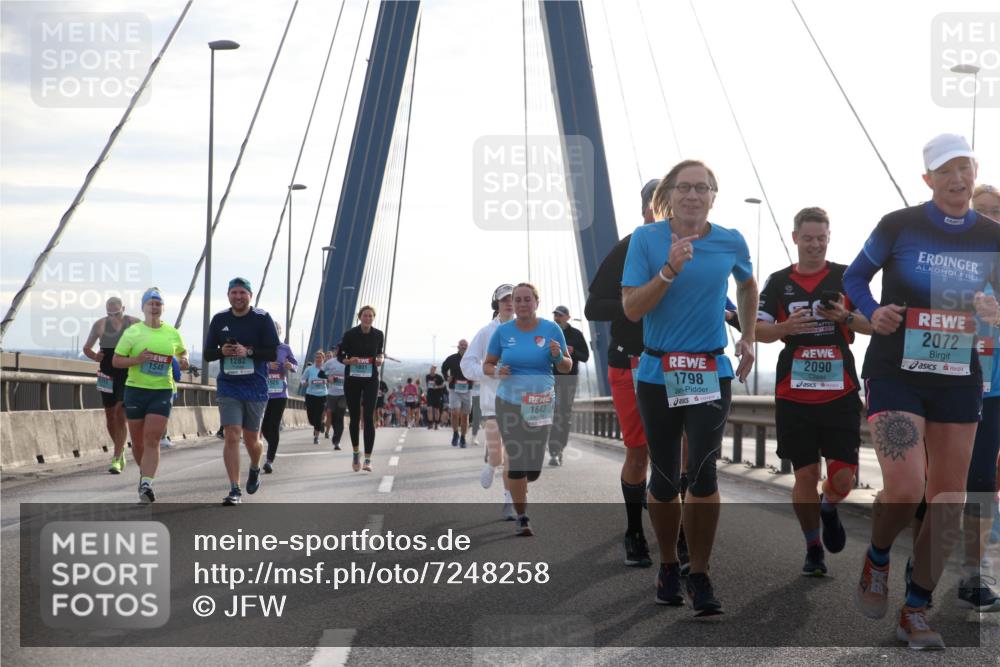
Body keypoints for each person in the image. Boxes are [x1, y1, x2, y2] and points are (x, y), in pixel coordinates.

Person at [843, 135, 1000, 649]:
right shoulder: (899, 224)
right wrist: (872, 312)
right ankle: (879, 556)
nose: (958, 179)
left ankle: (916, 608)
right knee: (907, 488)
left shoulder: (992, 235)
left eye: (966, 169)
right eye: (947, 170)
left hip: (958, 375)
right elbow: (855, 277)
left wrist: (996, 312)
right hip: (895, 371)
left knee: (948, 499)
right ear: (928, 178)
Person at [622, 159, 757, 615]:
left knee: (703, 473)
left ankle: (698, 572)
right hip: (657, 373)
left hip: (710, 370)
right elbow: (632, 310)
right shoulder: (646, 240)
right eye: (684, 188)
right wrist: (668, 271)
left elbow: (748, 284)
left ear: (713, 195)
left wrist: (750, 335)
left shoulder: (729, 240)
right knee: (663, 478)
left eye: (702, 188)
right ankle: (666, 563)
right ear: (669, 195)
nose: (693, 195)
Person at [755, 206, 873, 577]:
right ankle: (812, 547)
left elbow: (874, 324)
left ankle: (829, 507)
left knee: (842, 480)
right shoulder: (777, 282)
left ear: (828, 237)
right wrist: (786, 326)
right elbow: (756, 331)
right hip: (794, 394)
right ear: (795, 239)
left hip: (839, 393)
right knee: (805, 475)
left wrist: (844, 318)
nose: (815, 245)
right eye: (808, 238)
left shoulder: (846, 277)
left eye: (821, 238)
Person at [484, 283, 571, 536]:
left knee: (532, 469)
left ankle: (522, 483)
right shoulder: (503, 332)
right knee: (517, 459)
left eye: (526, 299)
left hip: (541, 403)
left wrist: (557, 356)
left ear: (536, 302)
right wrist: (497, 370)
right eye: (517, 300)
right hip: (508, 402)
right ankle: (522, 515)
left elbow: (566, 366)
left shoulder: (551, 328)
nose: (521, 304)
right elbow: (488, 365)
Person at [204, 277, 280, 506]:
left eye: (242, 293)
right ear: (228, 295)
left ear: (250, 295)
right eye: (234, 293)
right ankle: (234, 488)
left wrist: (247, 351)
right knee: (231, 434)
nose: (238, 297)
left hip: (255, 384)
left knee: (251, 440)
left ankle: (255, 466)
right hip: (229, 385)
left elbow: (273, 353)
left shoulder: (262, 318)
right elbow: (208, 353)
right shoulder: (219, 319)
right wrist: (222, 351)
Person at [112, 288, 189, 502]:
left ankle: (147, 483)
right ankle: (143, 474)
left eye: (158, 304)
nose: (154, 307)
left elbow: (182, 352)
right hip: (136, 390)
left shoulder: (172, 333)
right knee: (137, 442)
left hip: (162, 390)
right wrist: (137, 360)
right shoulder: (133, 332)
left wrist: (184, 360)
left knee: (152, 439)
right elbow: (116, 360)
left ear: (162, 308)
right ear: (143, 307)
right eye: (150, 304)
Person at [463, 284, 517, 519]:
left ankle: (509, 501)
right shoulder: (486, 333)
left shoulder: (525, 330)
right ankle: (491, 464)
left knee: (514, 455)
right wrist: (492, 372)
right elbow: (467, 365)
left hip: (519, 402)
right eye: (504, 299)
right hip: (493, 402)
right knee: (498, 454)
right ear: (496, 303)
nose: (509, 303)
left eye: (513, 299)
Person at [83, 296, 140, 474]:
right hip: (106, 373)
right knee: (109, 417)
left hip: (126, 372)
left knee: (119, 413)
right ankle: (120, 449)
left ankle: (116, 458)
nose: (113, 316)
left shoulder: (134, 323)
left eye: (116, 312)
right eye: (109, 313)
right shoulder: (100, 325)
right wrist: (94, 356)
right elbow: (87, 348)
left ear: (123, 308)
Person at [337, 305, 385, 472]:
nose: (368, 318)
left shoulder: (378, 334)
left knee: (369, 417)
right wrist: (349, 361)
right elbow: (340, 355)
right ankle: (356, 452)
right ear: (360, 317)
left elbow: (380, 353)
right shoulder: (350, 334)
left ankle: (368, 459)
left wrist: (380, 359)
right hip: (353, 379)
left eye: (370, 316)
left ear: (373, 318)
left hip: (371, 379)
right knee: (355, 417)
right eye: (365, 316)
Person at [548, 305, 590, 466]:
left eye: (559, 315)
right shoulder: (549, 333)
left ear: (567, 317)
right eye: (555, 315)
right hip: (549, 379)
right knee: (550, 415)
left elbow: (585, 356)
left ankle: (557, 450)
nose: (556, 318)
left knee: (562, 416)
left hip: (568, 380)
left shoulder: (576, 335)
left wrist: (573, 352)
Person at [260, 321, 297, 472]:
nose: (274, 332)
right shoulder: (261, 347)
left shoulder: (285, 348)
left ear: (280, 332)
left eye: (277, 329)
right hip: (262, 392)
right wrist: (268, 365)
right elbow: (254, 364)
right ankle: (272, 445)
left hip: (280, 393)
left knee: (273, 426)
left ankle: (269, 459)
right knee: (263, 428)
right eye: (272, 330)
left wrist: (290, 366)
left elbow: (295, 365)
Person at [443, 340, 474, 447]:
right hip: (454, 389)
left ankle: (463, 438)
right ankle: (455, 433)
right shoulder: (452, 358)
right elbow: (444, 368)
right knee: (455, 412)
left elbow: (477, 369)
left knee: (465, 416)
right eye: (462, 345)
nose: (463, 347)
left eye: (465, 346)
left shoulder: (471, 359)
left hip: (467, 389)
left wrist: (474, 378)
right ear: (458, 347)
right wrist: (447, 377)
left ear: (468, 347)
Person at [301, 352, 329, 443]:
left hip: (322, 395)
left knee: (318, 416)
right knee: (311, 418)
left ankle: (316, 437)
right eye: (317, 357)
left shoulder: (326, 369)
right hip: (310, 395)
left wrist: (327, 381)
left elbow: (330, 379)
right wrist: (305, 383)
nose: (318, 359)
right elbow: (302, 379)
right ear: (315, 358)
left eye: (320, 357)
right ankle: (320, 424)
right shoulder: (309, 369)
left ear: (323, 359)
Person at [323, 346, 346, 449]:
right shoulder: (330, 362)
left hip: (343, 395)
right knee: (332, 416)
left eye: (341, 350)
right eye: (337, 350)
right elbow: (320, 373)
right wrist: (328, 377)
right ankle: (335, 436)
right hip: (332, 394)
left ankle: (337, 441)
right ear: (336, 352)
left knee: (340, 417)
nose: (339, 351)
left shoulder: (348, 362)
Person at [425, 365, 445, 431]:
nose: (432, 370)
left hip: (437, 395)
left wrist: (437, 387)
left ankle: (436, 423)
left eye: (433, 369)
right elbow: (428, 384)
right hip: (430, 395)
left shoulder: (439, 377)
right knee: (429, 409)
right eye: (431, 369)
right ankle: (430, 423)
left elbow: (443, 385)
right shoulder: (427, 376)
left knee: (436, 410)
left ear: (435, 370)